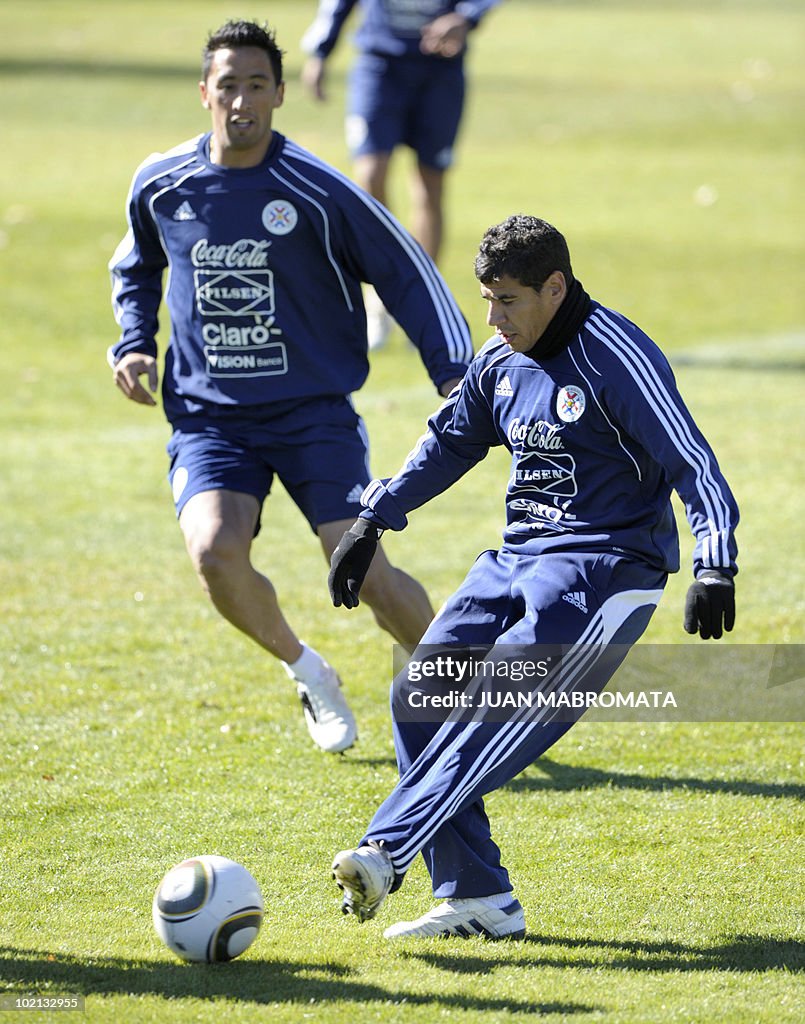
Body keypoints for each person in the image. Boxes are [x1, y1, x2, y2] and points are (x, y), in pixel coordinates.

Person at [325, 214, 739, 938]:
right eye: (486, 300)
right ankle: (477, 896)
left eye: (507, 301)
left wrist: (714, 563)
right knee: (416, 696)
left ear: (554, 287)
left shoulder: (616, 358)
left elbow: (692, 464)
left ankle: (387, 848)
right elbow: (450, 441)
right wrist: (373, 520)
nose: (493, 318)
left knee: (502, 698)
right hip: (516, 559)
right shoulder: (498, 359)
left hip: (605, 568)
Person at [108, 20, 472, 756]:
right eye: (226, 85)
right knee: (213, 552)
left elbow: (405, 268)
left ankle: (459, 702)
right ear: (204, 91)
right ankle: (309, 672)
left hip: (312, 415)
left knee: (363, 570)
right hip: (211, 419)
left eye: (255, 85)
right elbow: (136, 266)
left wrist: (453, 370)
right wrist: (134, 341)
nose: (239, 100)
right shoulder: (162, 183)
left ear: (277, 94)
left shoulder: (315, 188)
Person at [301, 0, 501, 349]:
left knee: (429, 187)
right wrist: (321, 51)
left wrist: (465, 17)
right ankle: (380, 296)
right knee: (370, 175)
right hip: (380, 64)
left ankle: (421, 303)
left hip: (440, 68)